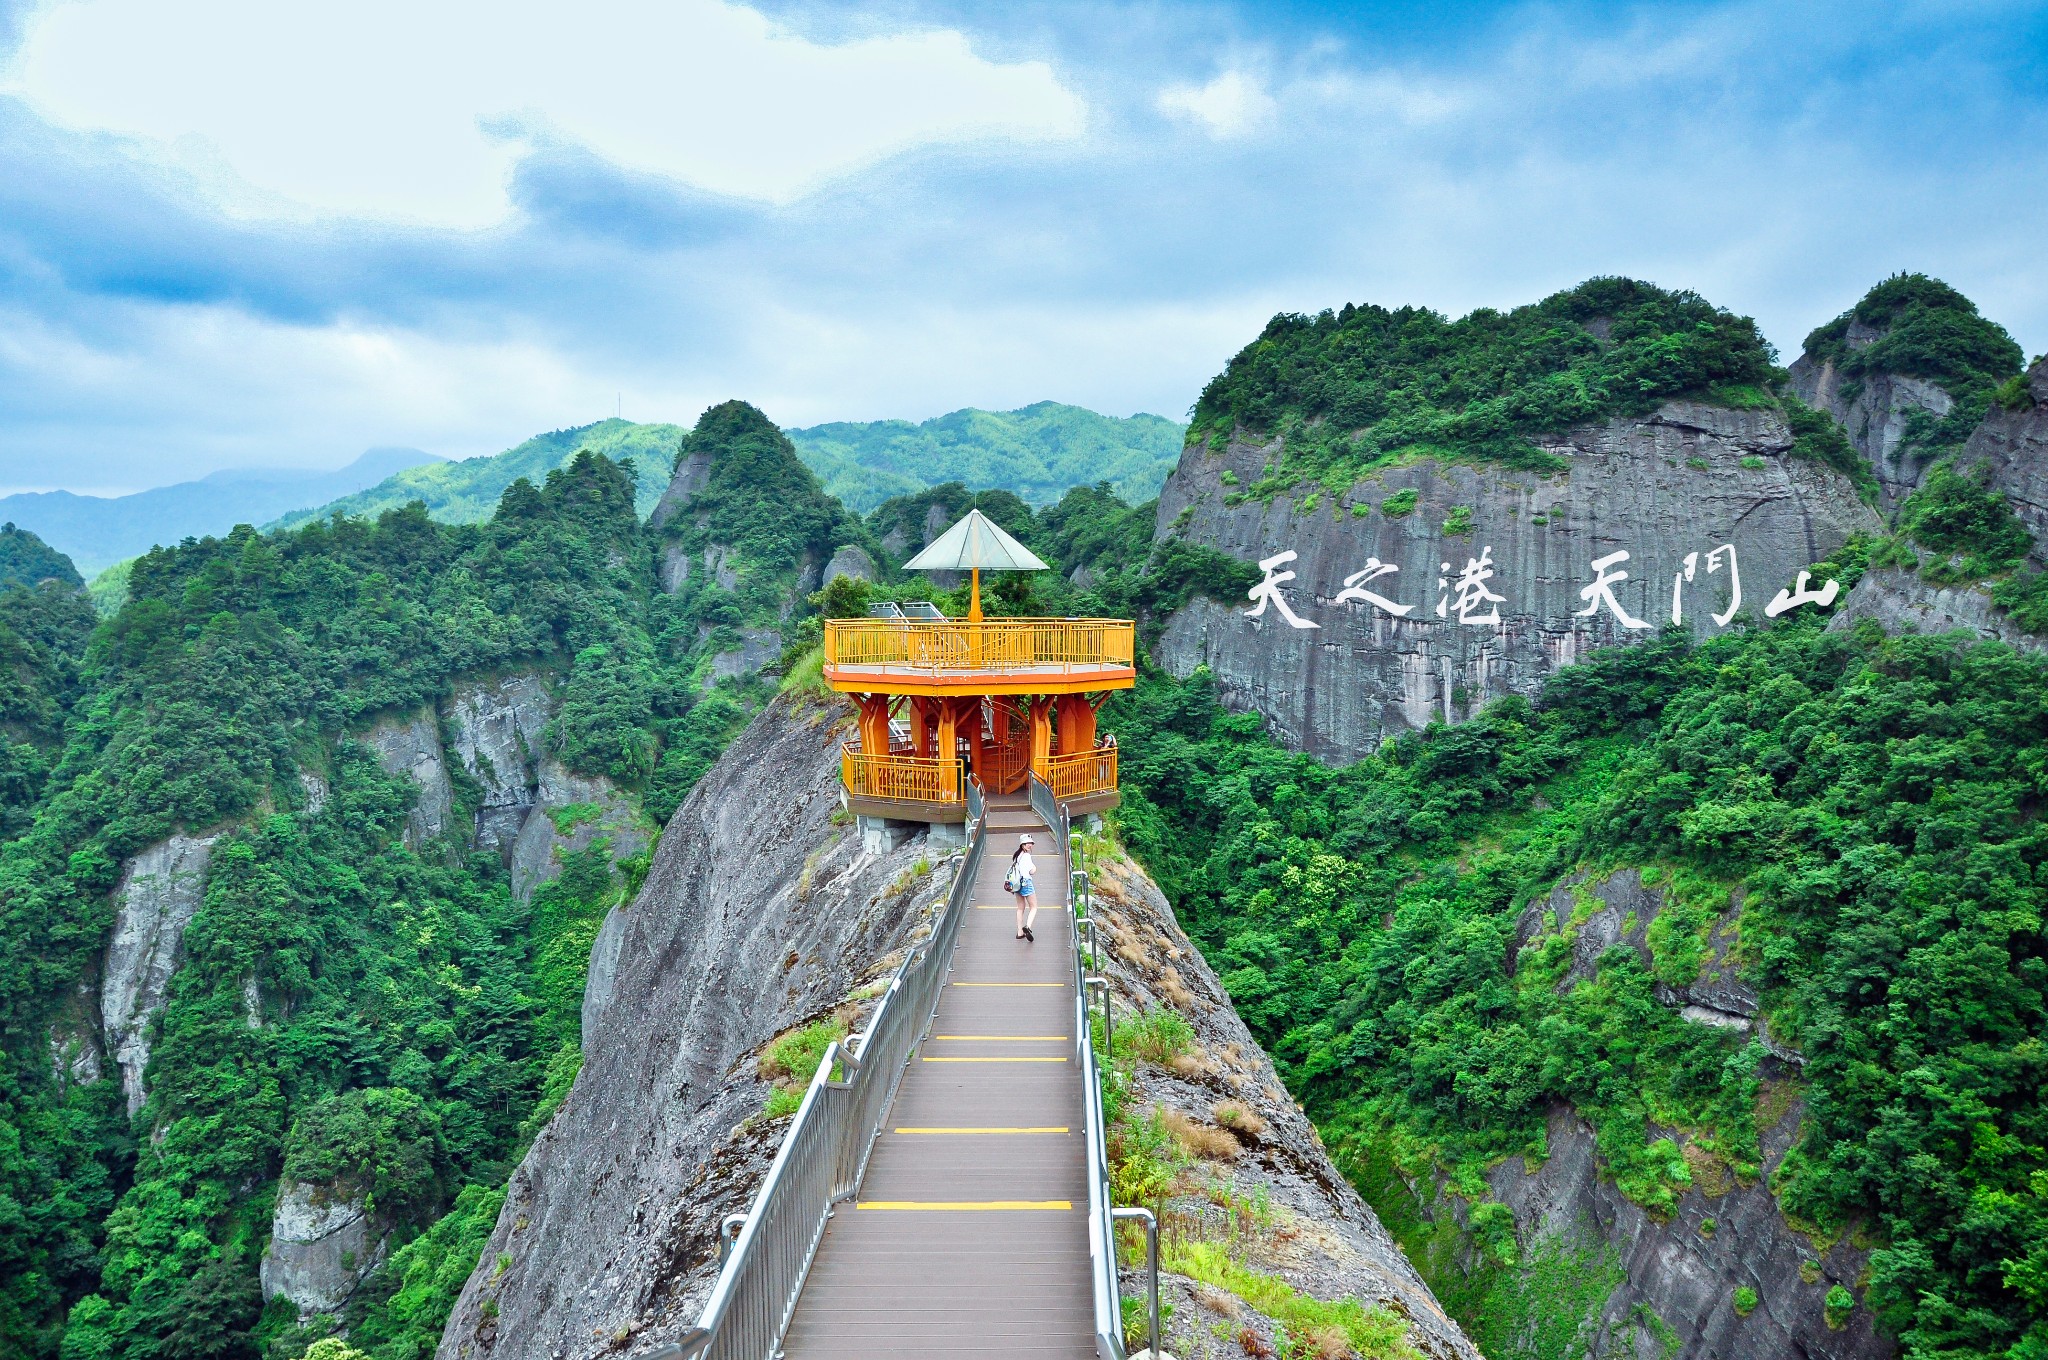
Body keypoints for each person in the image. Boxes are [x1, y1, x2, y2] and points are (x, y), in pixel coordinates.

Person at [1008, 835, 1038, 942]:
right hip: (1026, 882)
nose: (1030, 845)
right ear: (1023, 845)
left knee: (1020, 908)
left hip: (1017, 884)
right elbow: (1031, 871)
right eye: (1027, 843)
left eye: (1031, 843)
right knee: (1034, 907)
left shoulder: (1017, 856)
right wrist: (1035, 867)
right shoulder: (1026, 856)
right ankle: (1028, 926)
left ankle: (1020, 932)